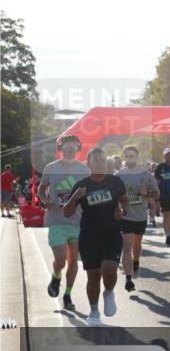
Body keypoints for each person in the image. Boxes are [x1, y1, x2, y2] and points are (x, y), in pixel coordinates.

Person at [63, 146, 129, 327]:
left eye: (102, 160)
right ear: (88, 164)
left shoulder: (115, 182)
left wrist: (122, 211)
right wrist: (75, 197)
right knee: (93, 276)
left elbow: (125, 200)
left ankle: (108, 293)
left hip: (112, 232)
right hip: (89, 235)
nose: (99, 164)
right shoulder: (81, 185)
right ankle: (93, 311)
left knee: (109, 269)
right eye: (96, 161)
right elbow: (67, 212)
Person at [40, 135, 90, 309]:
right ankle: (56, 276)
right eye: (66, 146)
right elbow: (41, 189)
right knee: (60, 260)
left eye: (73, 146)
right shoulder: (51, 168)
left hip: (76, 221)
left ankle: (67, 295)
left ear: (77, 148)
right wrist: (45, 200)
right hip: (56, 220)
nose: (70, 149)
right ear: (61, 149)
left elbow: (89, 193)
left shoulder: (84, 169)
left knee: (73, 262)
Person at [115, 146, 159, 290]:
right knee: (126, 246)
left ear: (137, 157)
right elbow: (113, 195)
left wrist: (147, 193)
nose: (129, 158)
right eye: (127, 156)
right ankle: (128, 279)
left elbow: (157, 194)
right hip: (125, 216)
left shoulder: (146, 175)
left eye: (132, 156)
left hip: (140, 216)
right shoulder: (119, 175)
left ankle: (136, 261)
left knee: (136, 245)